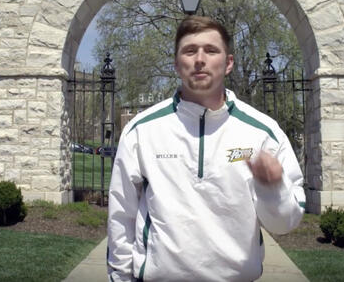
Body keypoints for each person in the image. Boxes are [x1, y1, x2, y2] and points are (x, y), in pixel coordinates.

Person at [107, 15, 305, 282]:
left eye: (211, 50)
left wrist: (274, 188)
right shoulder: (142, 130)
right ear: (177, 64)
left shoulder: (262, 133)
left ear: (228, 63)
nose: (200, 59)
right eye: (190, 51)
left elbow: (284, 224)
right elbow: (121, 214)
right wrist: (120, 277)